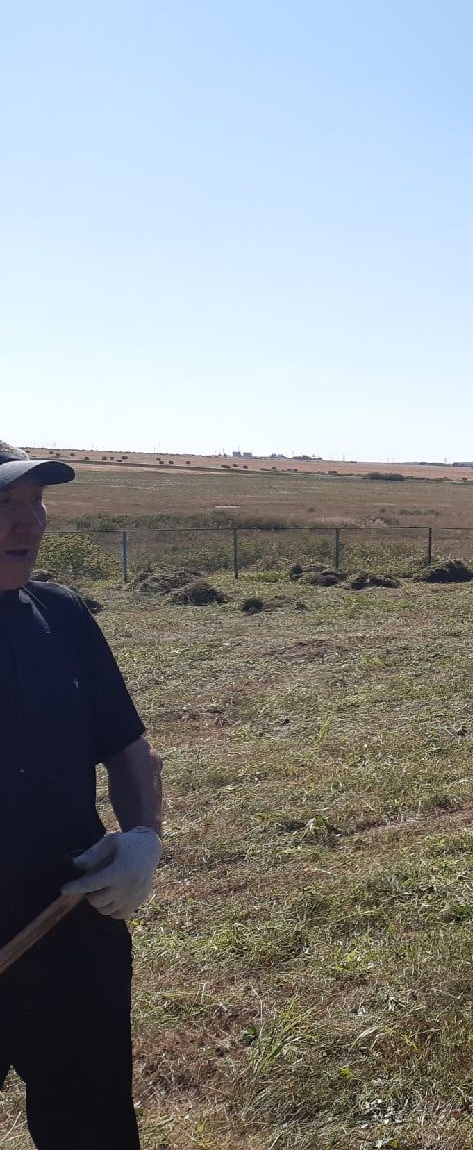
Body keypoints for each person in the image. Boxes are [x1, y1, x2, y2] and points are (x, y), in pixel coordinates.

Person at [0, 440, 164, 1147]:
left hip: (72, 923)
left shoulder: (63, 616)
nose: (29, 524)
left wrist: (143, 839)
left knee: (91, 1127)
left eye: (36, 503)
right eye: (4, 506)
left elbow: (127, 749)